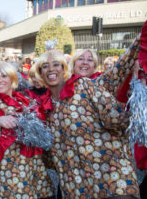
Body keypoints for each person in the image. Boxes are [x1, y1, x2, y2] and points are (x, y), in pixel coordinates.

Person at [35, 49, 140, 198]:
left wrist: (135, 101)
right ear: (40, 72)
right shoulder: (45, 108)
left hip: (110, 177)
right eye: (45, 66)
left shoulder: (83, 85)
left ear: (64, 68)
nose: (51, 69)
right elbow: (49, 155)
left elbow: (115, 118)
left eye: (56, 64)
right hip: (77, 185)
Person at [0, 62, 56, 198]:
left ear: (12, 78)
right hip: (10, 167)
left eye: (4, 76)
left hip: (33, 163)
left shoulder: (24, 99)